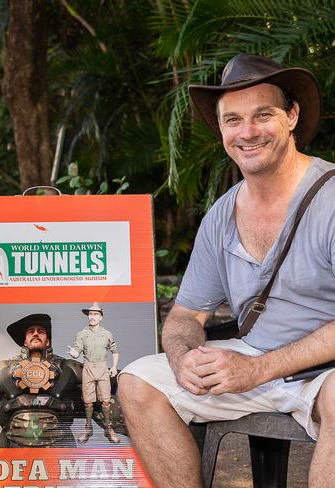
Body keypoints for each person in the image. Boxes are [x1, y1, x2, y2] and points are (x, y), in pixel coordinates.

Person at [118, 53, 335, 488]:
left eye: (263, 115)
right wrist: (184, 362)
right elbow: (184, 317)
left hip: (324, 369)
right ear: (221, 130)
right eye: (232, 120)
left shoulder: (330, 198)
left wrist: (259, 369)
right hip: (255, 360)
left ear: (291, 116)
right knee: (139, 383)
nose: (247, 132)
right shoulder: (221, 214)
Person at [0, 313, 90, 447]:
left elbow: (104, 400)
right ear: (25, 342)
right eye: (31, 331)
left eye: (40, 331)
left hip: (59, 449)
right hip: (11, 447)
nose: (35, 333)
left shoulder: (69, 368)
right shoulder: (3, 369)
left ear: (47, 341)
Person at [68, 302, 120, 443]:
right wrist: (74, 353)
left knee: (106, 401)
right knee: (88, 402)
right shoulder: (82, 334)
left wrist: (114, 367)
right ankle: (88, 428)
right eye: (90, 314)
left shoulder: (107, 334)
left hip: (103, 368)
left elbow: (114, 351)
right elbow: (77, 349)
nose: (92, 317)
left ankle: (108, 429)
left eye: (96, 314)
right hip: (88, 368)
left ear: (101, 317)